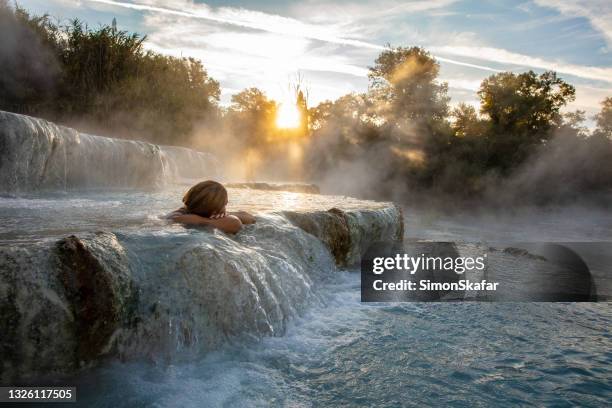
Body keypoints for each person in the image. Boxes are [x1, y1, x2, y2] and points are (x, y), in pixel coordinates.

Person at [168, 180, 255, 234]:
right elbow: (235, 223)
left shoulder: (188, 209)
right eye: (225, 204)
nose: (227, 204)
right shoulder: (179, 216)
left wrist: (225, 214)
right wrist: (210, 221)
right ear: (214, 212)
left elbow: (250, 218)